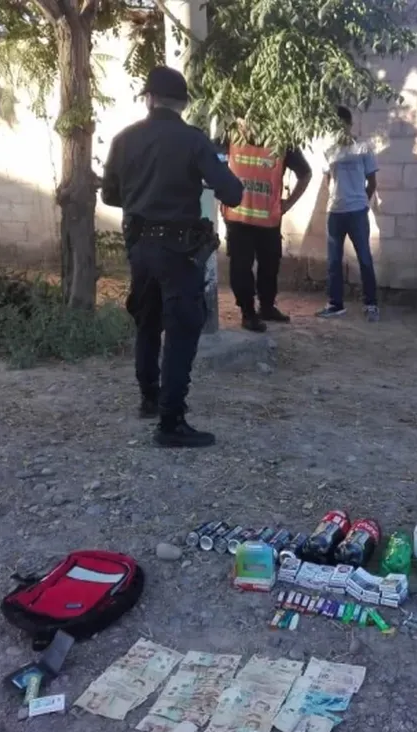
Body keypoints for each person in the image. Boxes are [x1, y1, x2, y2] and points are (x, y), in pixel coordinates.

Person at [101, 66, 244, 449]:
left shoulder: (123, 139)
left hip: (139, 248)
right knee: (182, 329)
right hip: (178, 251)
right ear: (182, 103)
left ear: (148, 98)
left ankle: (149, 397)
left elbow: (109, 196)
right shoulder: (192, 140)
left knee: (148, 320)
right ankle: (171, 421)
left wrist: (142, 195)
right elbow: (232, 193)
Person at [221, 134, 312, 333]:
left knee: (269, 265)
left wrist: (287, 204)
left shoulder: (281, 141)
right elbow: (213, 162)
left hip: (267, 219)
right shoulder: (231, 136)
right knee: (241, 267)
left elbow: (305, 173)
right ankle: (248, 313)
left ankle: (267, 307)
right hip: (239, 217)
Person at [317, 106, 380, 323]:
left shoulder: (363, 148)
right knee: (333, 261)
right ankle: (335, 305)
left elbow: (372, 182)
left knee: (364, 259)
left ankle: (371, 304)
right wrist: (335, 198)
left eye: (341, 124)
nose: (337, 129)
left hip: (357, 212)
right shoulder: (330, 151)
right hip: (335, 212)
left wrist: (362, 202)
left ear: (349, 124)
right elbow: (328, 180)